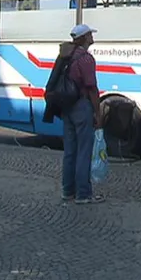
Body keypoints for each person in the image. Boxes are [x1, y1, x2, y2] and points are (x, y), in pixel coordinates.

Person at [46, 24, 104, 205]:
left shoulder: (65, 55)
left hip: (66, 108)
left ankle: (67, 190)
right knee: (84, 151)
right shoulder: (86, 59)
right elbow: (91, 87)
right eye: (90, 35)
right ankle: (83, 194)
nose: (92, 37)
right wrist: (97, 112)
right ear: (84, 38)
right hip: (81, 106)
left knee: (70, 151)